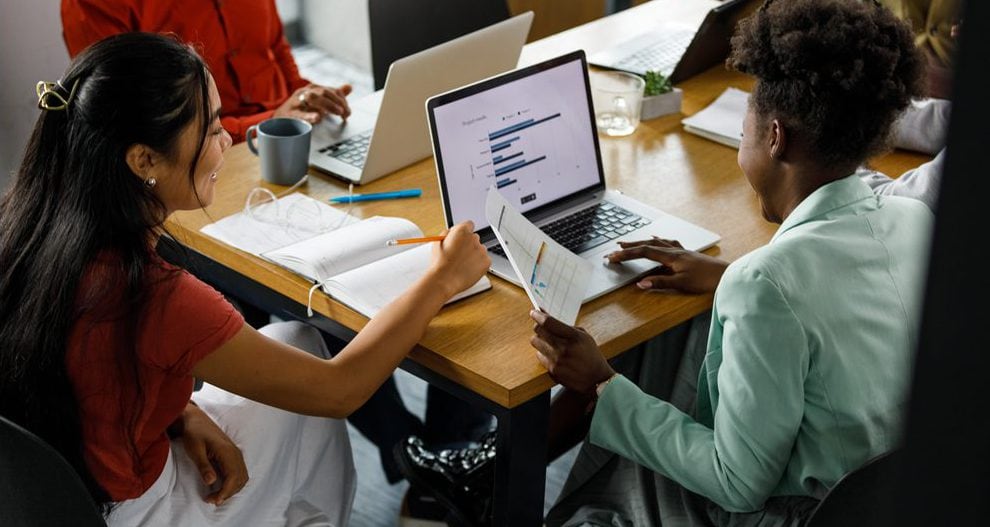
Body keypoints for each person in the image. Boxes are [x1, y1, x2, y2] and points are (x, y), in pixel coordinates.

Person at [396, 1, 934, 525]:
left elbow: (737, 484)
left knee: (639, 407)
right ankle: (488, 475)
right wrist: (722, 280)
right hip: (889, 497)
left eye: (747, 120)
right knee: (671, 338)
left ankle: (496, 486)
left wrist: (602, 385)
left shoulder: (765, 284)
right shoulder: (916, 220)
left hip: (785, 513)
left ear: (775, 137)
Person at [0, 32, 490, 526]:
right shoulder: (157, 294)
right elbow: (339, 390)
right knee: (308, 384)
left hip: (65, 489)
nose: (228, 141)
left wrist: (180, 416)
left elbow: (78, 372)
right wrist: (441, 282)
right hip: (138, 510)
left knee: (297, 338)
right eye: (212, 129)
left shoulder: (24, 225)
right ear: (144, 160)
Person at [61, 0, 353, 142]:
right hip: (201, 162)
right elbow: (134, 124)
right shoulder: (93, 4)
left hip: (292, 133)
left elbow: (274, 45)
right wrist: (270, 122)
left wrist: (305, 96)